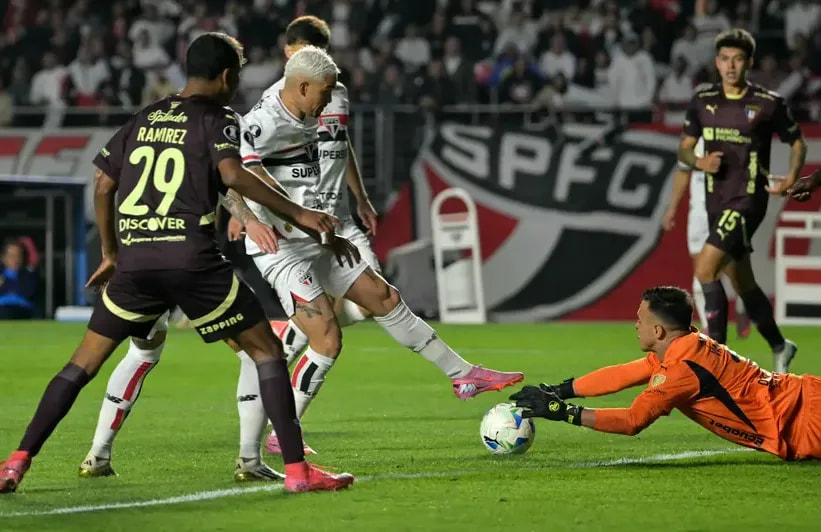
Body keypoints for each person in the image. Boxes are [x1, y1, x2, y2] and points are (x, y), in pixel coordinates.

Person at [0, 32, 356, 494]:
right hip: (190, 259)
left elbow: (103, 182)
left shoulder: (145, 117)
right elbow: (232, 175)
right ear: (227, 76)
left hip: (135, 260)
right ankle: (296, 472)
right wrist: (301, 214)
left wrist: (110, 252)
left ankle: (15, 463)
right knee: (267, 351)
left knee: (79, 366)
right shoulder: (219, 116)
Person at [241, 44, 524, 454]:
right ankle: (282, 432)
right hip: (281, 247)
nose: (328, 101)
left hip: (318, 234)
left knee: (383, 296)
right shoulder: (263, 122)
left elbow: (330, 154)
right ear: (301, 86)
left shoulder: (307, 111)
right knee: (326, 338)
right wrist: (250, 218)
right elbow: (232, 173)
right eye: (323, 92)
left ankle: (463, 375)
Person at [510, 286, 821, 461]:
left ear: (658, 330)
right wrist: (559, 391)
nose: (635, 325)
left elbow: (633, 421)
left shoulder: (680, 371)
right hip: (805, 399)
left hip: (807, 422)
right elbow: (621, 374)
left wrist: (562, 412)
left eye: (640, 320)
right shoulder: (687, 344)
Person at [227, 17, 379, 366]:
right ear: (288, 52)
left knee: (367, 304)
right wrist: (243, 214)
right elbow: (239, 166)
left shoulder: (334, 94)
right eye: (303, 52)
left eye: (319, 53)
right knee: (334, 320)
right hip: (294, 215)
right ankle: (293, 342)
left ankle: (291, 335)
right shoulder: (277, 102)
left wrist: (361, 198)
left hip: (334, 212)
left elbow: (342, 145)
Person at [678, 28, 806, 372]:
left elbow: (797, 142)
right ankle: (781, 345)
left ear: (748, 62)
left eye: (738, 59)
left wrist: (792, 176)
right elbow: (684, 150)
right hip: (714, 202)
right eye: (724, 59)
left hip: (748, 200)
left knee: (705, 268)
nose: (730, 65)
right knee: (742, 281)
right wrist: (700, 162)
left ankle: (716, 364)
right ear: (717, 63)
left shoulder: (767, 103)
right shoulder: (703, 101)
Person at [663, 134, 750, 338]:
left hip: (727, 210)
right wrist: (672, 209)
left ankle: (743, 301)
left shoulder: (731, 134)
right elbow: (683, 172)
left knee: (729, 266)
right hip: (699, 211)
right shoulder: (694, 142)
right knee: (701, 268)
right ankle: (709, 325)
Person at [0, 239, 39, 319]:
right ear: (3, 258)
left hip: (22, 309)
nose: (15, 259)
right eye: (11, 255)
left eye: (18, 255)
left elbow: (29, 294)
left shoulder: (28, 274)